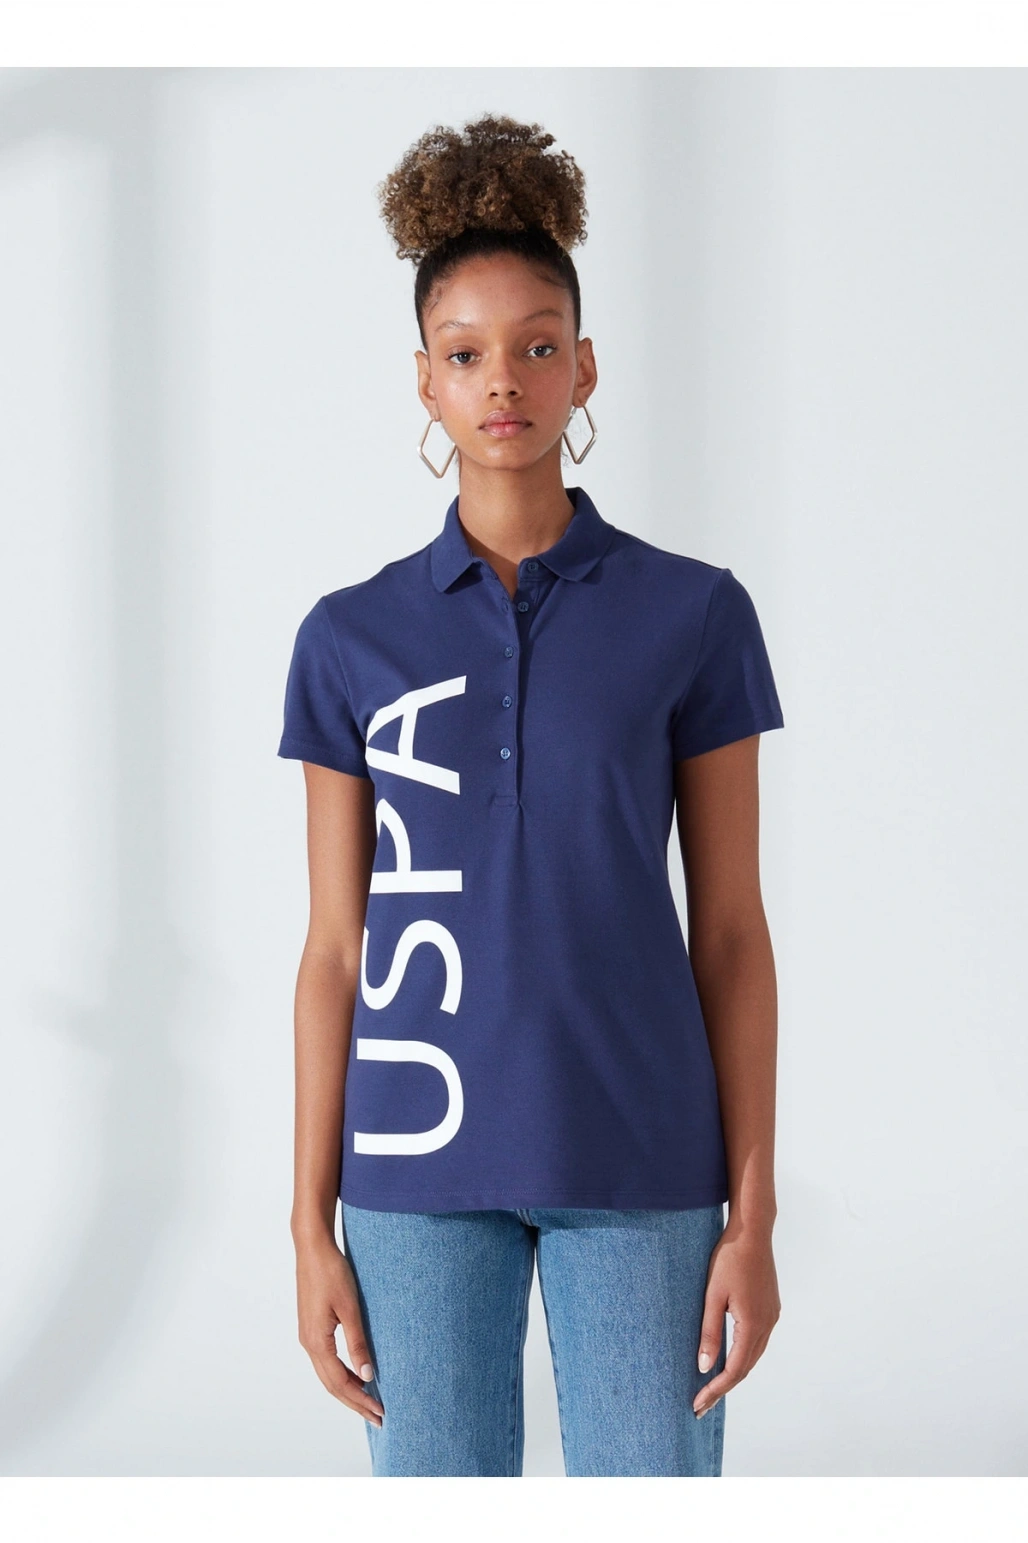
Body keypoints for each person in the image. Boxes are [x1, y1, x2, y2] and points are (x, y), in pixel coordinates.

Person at [276, 113, 785, 1478]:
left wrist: (753, 1213)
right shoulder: (349, 638)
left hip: (645, 1167)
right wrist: (309, 1225)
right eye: (464, 353)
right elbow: (333, 950)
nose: (502, 379)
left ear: (585, 366)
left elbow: (732, 932)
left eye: (537, 344)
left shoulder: (695, 615)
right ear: (425, 383)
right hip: (414, 1169)